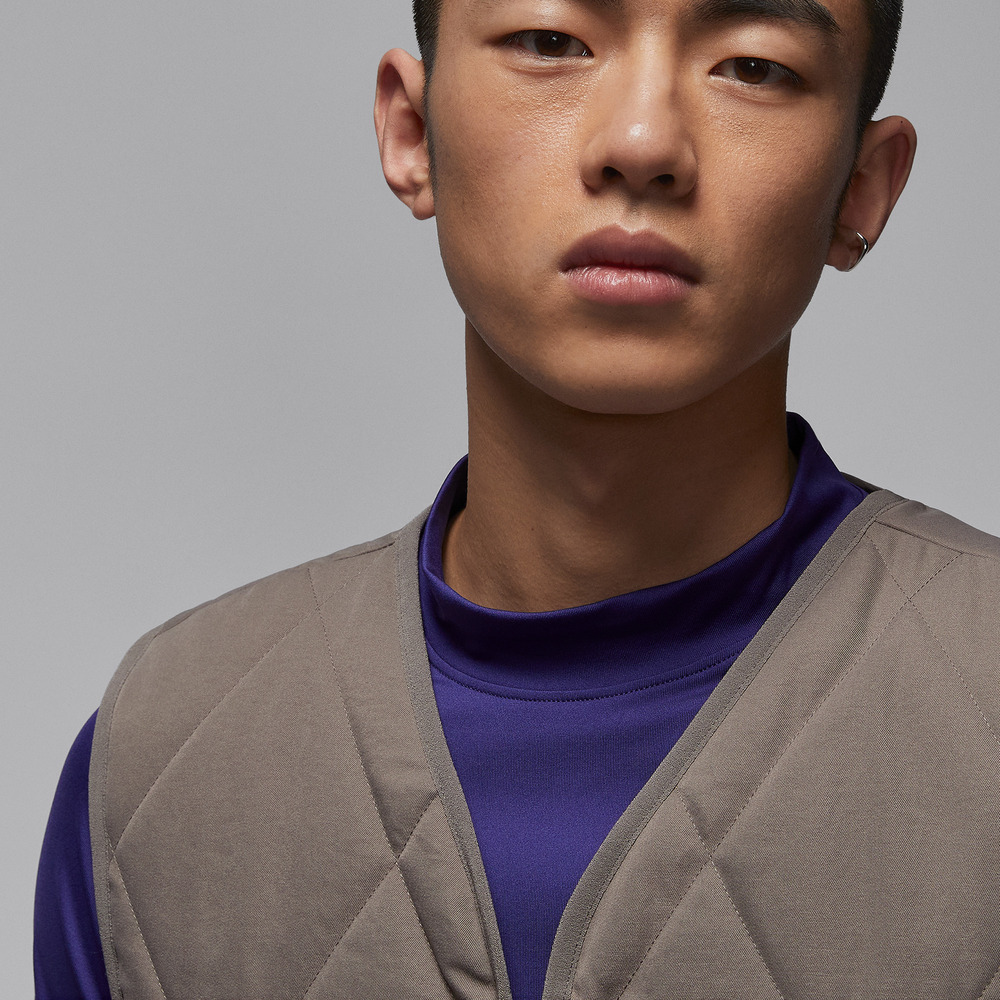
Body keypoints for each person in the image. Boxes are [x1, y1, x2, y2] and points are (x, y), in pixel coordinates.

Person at [33, 0, 1000, 998]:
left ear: (861, 184)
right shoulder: (159, 762)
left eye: (752, 67)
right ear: (412, 131)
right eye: (550, 42)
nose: (642, 143)